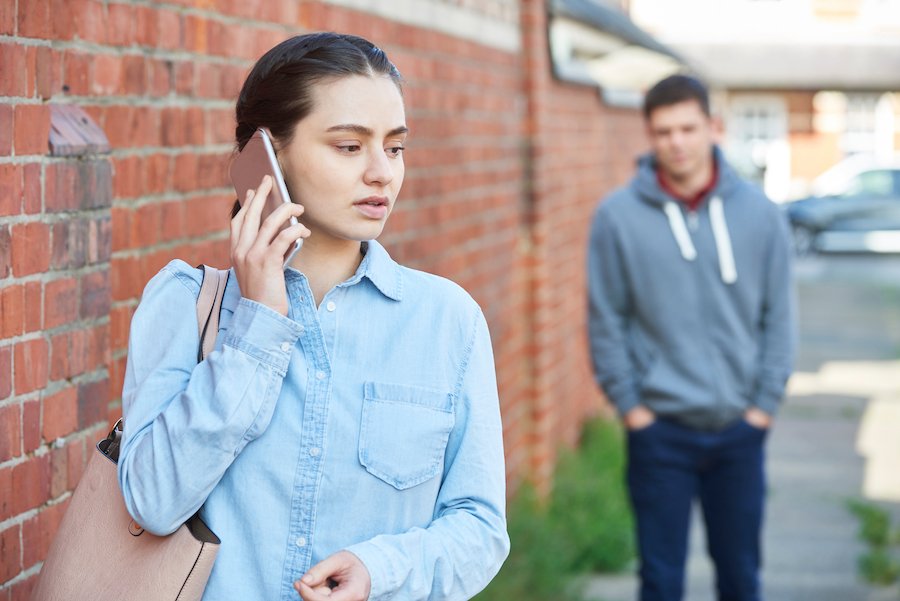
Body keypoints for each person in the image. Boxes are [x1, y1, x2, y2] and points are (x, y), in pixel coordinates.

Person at [118, 32, 509, 601]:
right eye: (349, 147)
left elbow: (479, 526)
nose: (382, 173)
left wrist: (383, 569)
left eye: (394, 148)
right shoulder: (185, 303)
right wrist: (256, 327)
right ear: (267, 156)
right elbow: (151, 502)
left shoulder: (448, 322)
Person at [587, 74, 795, 601]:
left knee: (741, 577)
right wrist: (633, 408)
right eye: (662, 132)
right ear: (650, 137)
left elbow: (779, 318)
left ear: (713, 127)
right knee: (659, 581)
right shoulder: (617, 217)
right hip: (661, 432)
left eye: (687, 128)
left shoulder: (762, 215)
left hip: (739, 432)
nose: (675, 142)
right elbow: (606, 317)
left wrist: (763, 408)